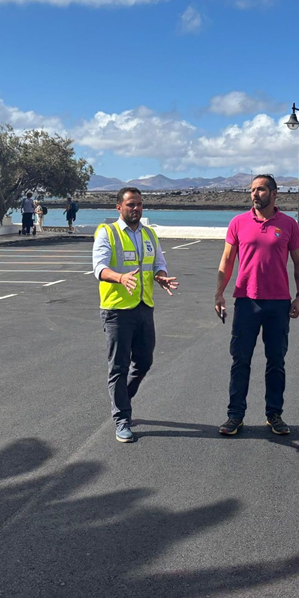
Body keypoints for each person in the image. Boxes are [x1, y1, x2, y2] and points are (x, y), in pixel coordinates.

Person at [214, 174, 299, 436]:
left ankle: (274, 414)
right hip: (246, 301)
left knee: (276, 361)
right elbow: (227, 260)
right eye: (252, 189)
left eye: (261, 189)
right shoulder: (238, 222)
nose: (255, 194)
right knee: (240, 360)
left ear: (274, 193)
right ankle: (235, 416)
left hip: (278, 304)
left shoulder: (288, 225)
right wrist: (219, 293)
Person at [93, 187, 178, 443]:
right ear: (119, 207)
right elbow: (99, 267)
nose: (136, 209)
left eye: (139, 204)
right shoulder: (107, 232)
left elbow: (158, 263)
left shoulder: (149, 234)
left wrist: (161, 277)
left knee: (144, 362)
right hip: (117, 309)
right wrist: (120, 278)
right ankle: (122, 419)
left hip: (144, 306)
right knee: (119, 366)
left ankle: (122, 400)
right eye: (131, 204)